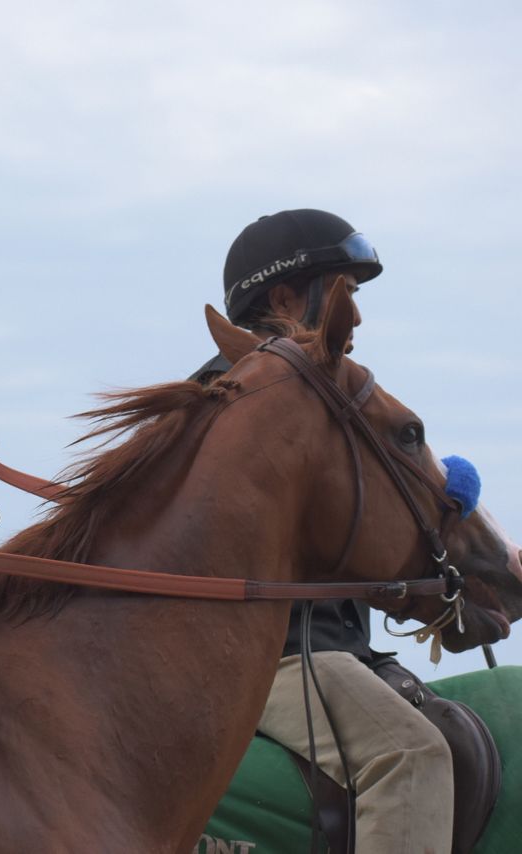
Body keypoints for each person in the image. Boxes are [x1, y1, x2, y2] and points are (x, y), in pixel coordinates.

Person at [193, 209, 454, 853]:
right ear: (284, 298)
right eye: (345, 294)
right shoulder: (234, 400)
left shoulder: (313, 395)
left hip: (332, 652)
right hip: (269, 658)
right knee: (412, 755)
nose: (356, 318)